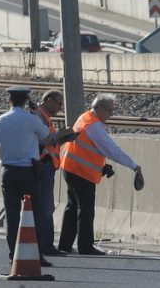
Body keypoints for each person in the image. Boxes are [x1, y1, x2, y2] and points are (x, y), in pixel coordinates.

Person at [0, 85, 76, 267]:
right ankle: (36, 255)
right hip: (29, 171)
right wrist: (63, 135)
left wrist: (8, 153)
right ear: (26, 100)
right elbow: (48, 139)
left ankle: (14, 255)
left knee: (12, 216)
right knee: (34, 214)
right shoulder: (32, 119)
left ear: (9, 100)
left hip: (8, 172)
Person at [58, 93, 143, 255]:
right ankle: (85, 246)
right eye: (109, 111)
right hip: (81, 172)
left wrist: (102, 168)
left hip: (70, 167)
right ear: (98, 107)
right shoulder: (93, 125)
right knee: (85, 209)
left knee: (72, 207)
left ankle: (65, 245)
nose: (110, 115)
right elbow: (111, 150)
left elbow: (90, 149)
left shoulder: (85, 117)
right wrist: (133, 166)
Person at [33, 89, 66, 257]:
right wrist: (59, 136)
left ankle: (45, 244)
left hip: (46, 166)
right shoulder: (39, 116)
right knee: (46, 207)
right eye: (59, 103)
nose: (60, 108)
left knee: (45, 207)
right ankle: (46, 245)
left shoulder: (43, 116)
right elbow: (42, 139)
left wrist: (61, 138)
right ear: (48, 100)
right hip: (43, 166)